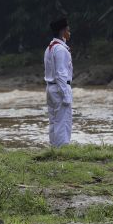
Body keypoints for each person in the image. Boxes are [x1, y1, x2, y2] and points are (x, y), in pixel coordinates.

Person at [44, 17, 73, 147]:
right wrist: (66, 94)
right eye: (68, 30)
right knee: (63, 120)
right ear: (62, 31)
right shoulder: (60, 49)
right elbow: (60, 73)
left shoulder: (50, 47)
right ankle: (62, 148)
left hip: (51, 87)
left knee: (54, 120)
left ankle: (54, 146)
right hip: (59, 88)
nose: (69, 33)